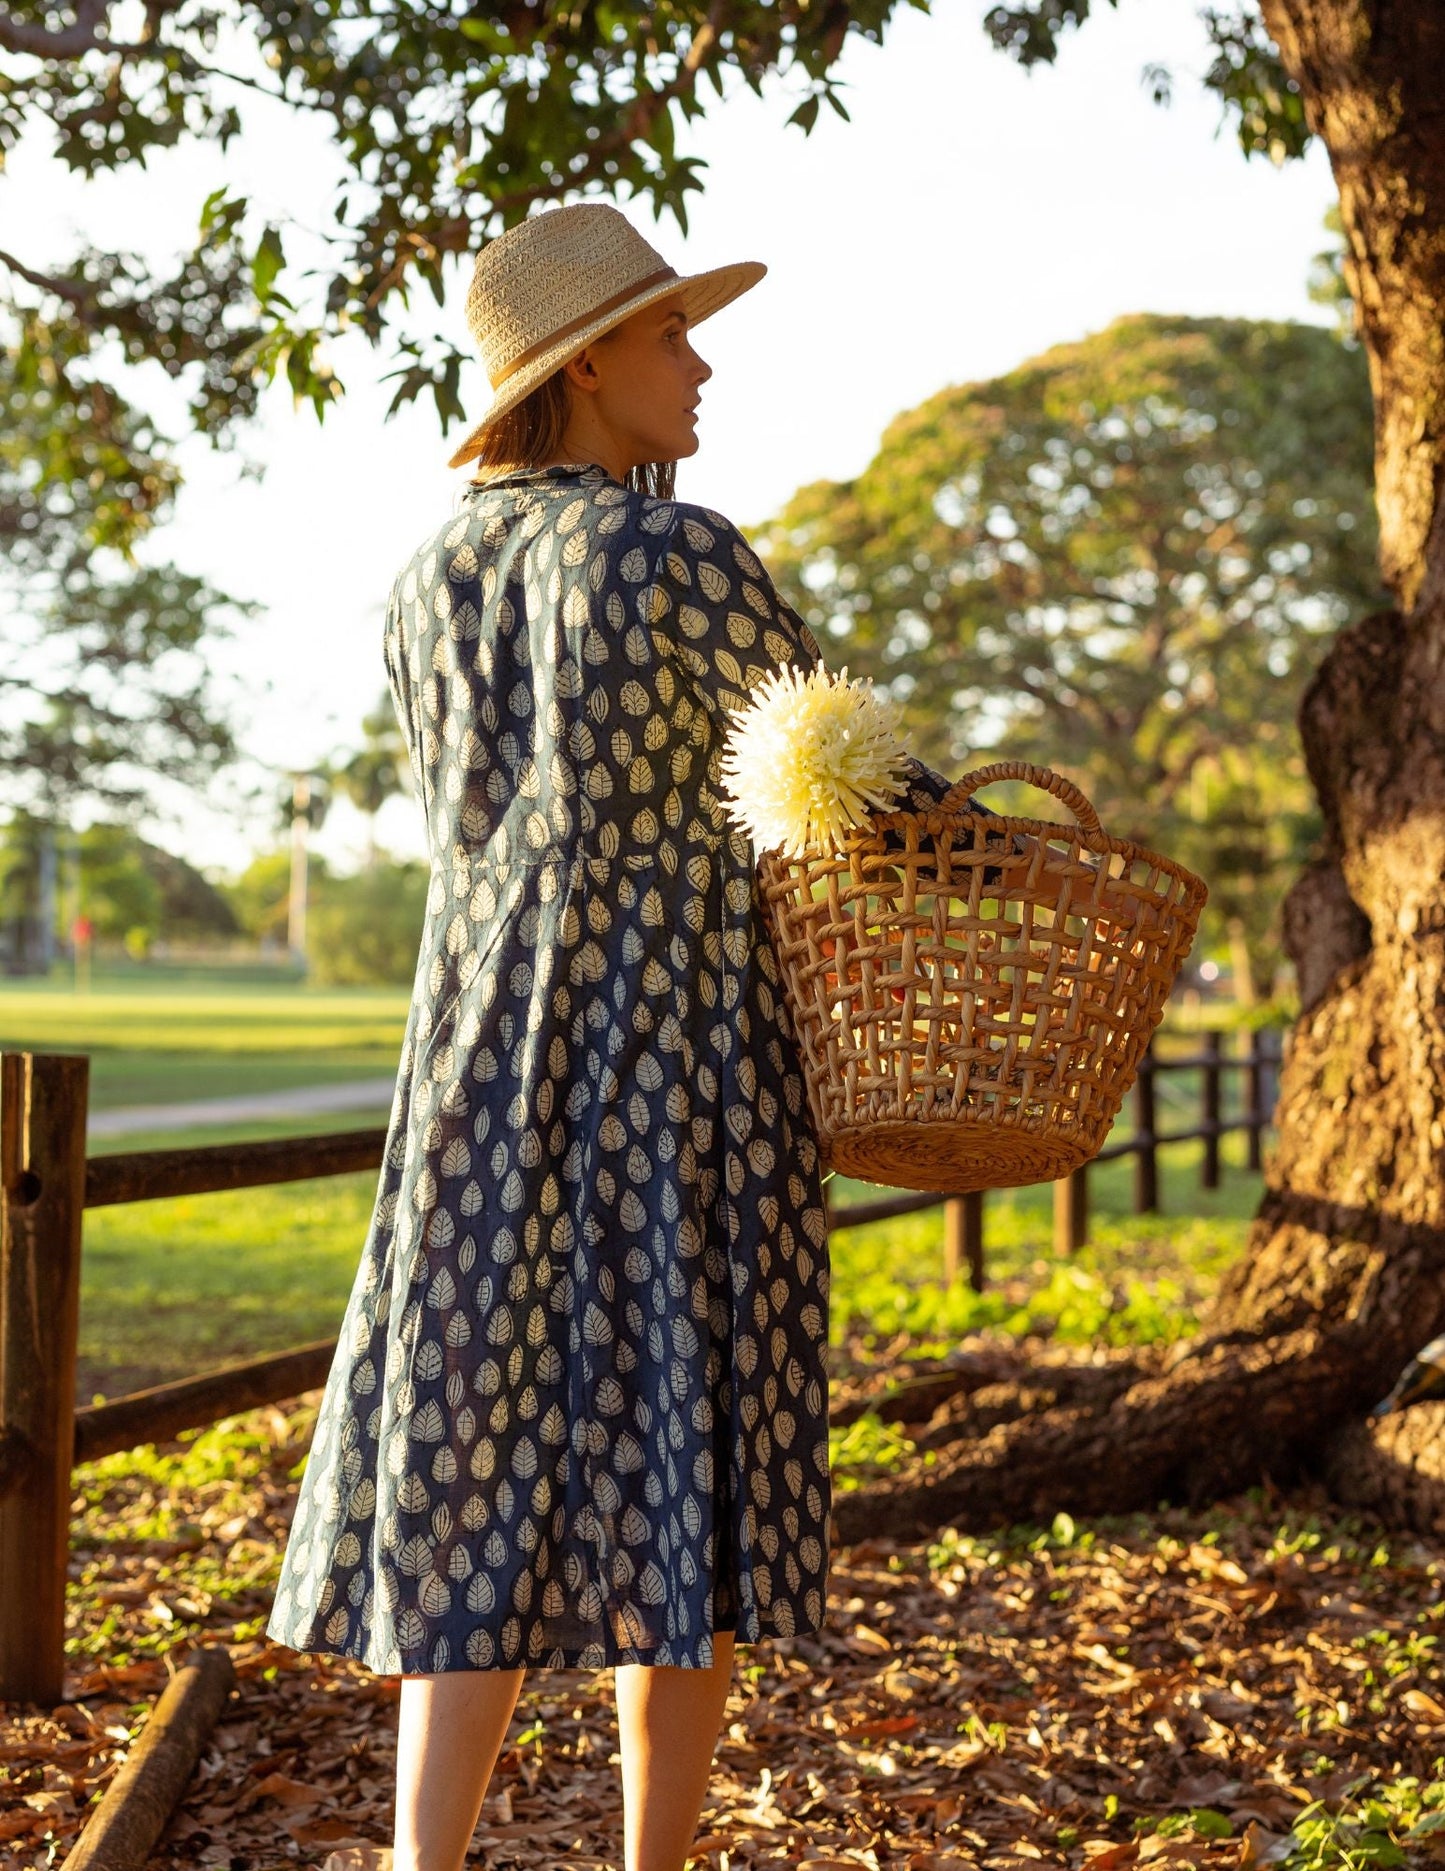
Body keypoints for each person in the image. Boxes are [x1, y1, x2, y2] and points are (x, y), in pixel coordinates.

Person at [263, 201, 961, 1871]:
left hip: (480, 1060)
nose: (699, 361)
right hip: (676, 1049)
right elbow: (845, 788)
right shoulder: (673, 552)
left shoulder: (425, 574)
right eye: (668, 335)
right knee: (686, 1439)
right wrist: (981, 847)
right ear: (583, 370)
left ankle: (421, 1865)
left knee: (479, 1444)